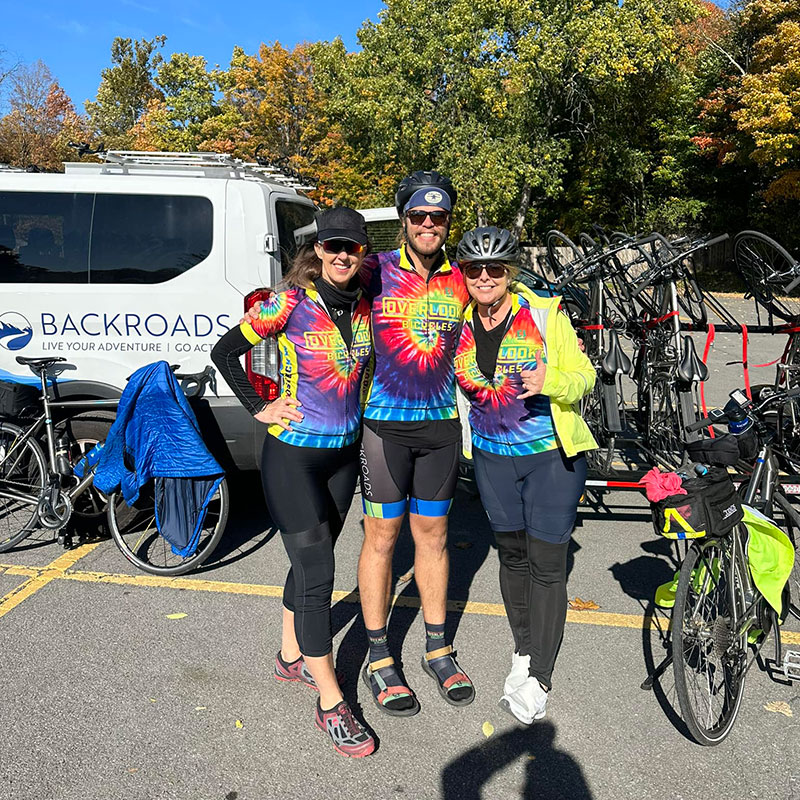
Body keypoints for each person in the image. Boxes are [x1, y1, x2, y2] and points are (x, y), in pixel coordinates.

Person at [211, 207, 376, 758]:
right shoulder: (290, 302)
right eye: (333, 247)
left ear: (361, 253)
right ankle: (330, 701)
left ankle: (290, 657)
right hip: (292, 456)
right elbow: (224, 351)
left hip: (343, 456)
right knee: (318, 572)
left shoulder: (367, 308)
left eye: (351, 248)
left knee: (313, 558)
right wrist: (259, 404)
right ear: (318, 250)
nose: (342, 256)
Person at [453, 226, 597, 724]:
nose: (485, 277)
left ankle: (540, 674)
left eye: (495, 269)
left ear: (510, 272)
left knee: (547, 563)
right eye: (475, 269)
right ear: (464, 274)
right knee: (512, 559)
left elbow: (586, 377)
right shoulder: (458, 324)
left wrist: (550, 380)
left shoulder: (544, 313)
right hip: (492, 458)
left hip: (551, 457)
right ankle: (523, 650)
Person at [356, 171, 474, 716]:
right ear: (402, 220)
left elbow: (509, 311)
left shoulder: (464, 277)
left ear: (448, 221)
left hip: (441, 428)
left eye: (439, 216)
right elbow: (313, 295)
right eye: (419, 216)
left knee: (435, 536)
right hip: (383, 427)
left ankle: (436, 646)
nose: (429, 225)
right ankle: (380, 656)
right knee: (382, 537)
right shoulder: (374, 269)